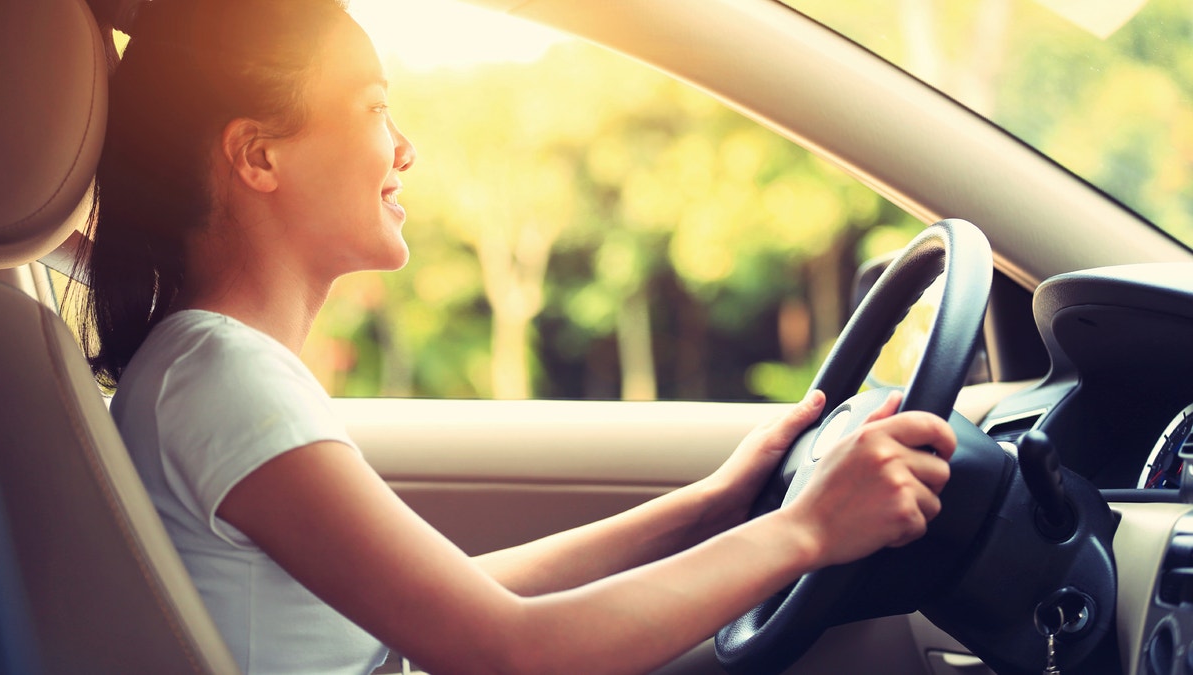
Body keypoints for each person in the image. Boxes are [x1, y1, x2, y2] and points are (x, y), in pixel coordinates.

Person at [75, 0, 957, 673]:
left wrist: (714, 504)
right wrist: (804, 531)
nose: (406, 148)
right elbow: (508, 649)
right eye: (377, 107)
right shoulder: (221, 376)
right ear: (258, 156)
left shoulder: (206, 368)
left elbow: (466, 597)